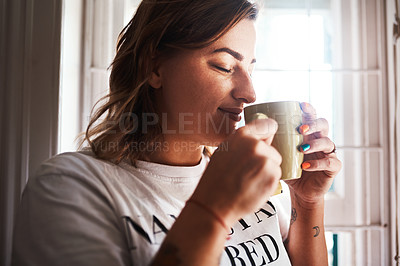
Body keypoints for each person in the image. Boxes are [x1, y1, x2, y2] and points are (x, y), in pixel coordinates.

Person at [12, 0, 341, 265]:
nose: (249, 93)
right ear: (153, 67)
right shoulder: (69, 187)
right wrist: (212, 210)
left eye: (250, 68)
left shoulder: (251, 178)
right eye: (224, 66)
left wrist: (307, 202)